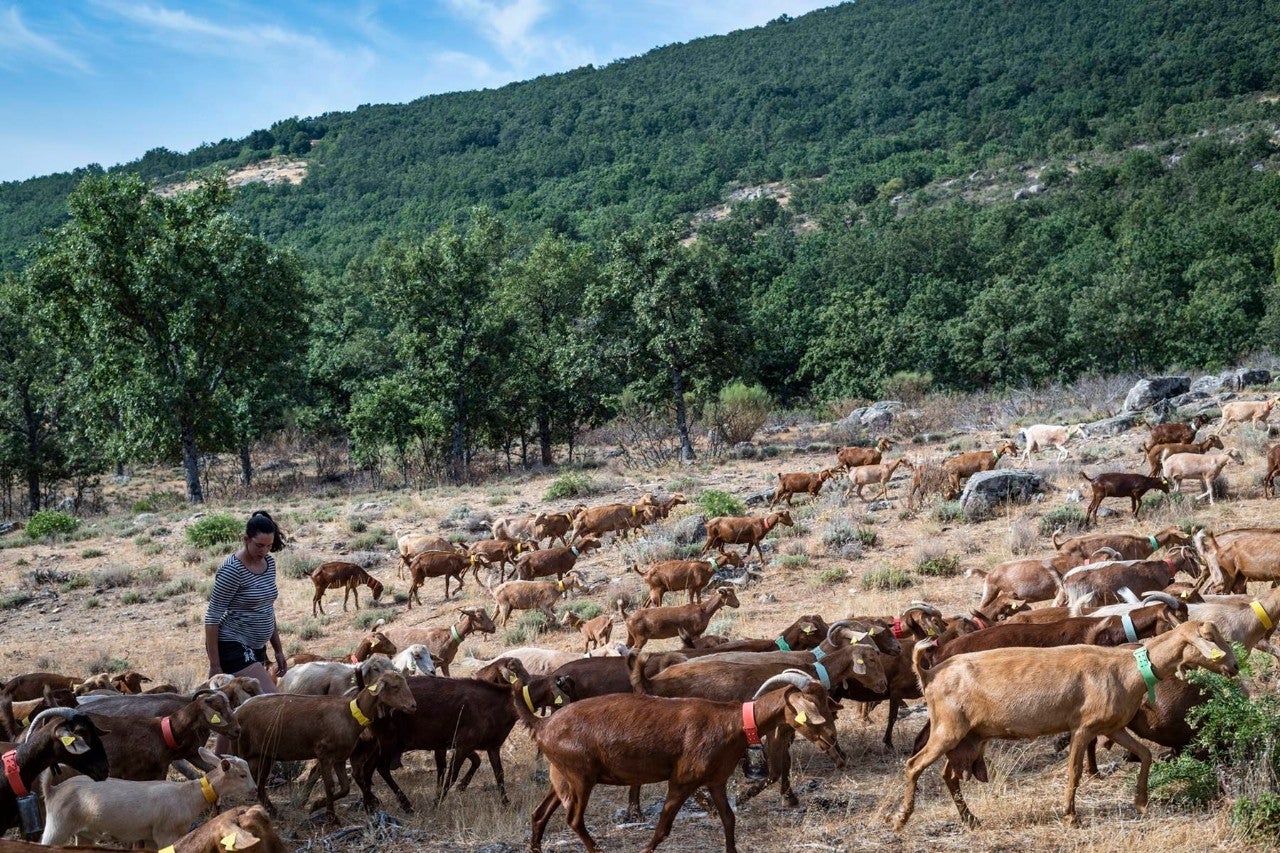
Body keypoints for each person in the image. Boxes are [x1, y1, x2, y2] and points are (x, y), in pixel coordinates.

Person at [204, 510, 288, 692]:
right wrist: (215, 666)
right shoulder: (232, 570)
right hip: (232, 644)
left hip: (257, 647)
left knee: (247, 707)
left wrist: (278, 650)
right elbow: (212, 618)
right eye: (259, 545)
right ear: (246, 539)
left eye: (268, 546)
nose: (264, 551)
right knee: (272, 700)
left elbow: (267, 608)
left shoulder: (269, 564)